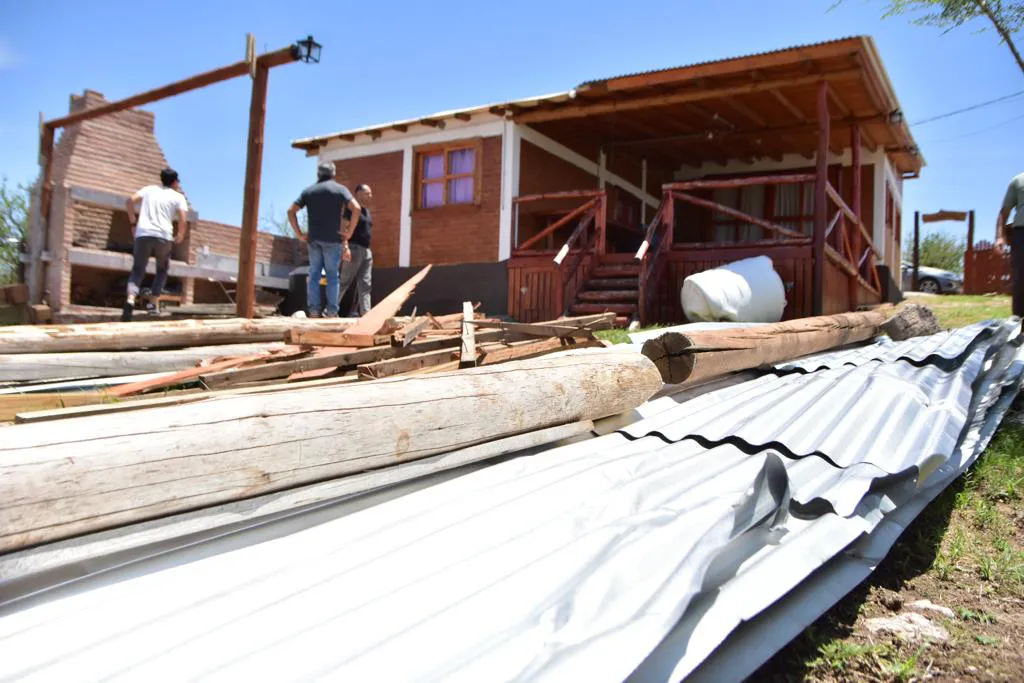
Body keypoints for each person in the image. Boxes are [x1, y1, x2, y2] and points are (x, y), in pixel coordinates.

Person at [288, 162, 361, 317]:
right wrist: (349, 233)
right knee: (332, 276)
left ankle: (314, 311)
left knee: (314, 275)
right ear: (333, 174)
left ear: (318, 174)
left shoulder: (309, 191)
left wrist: (299, 234)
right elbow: (356, 208)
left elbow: (291, 211)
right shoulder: (340, 190)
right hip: (333, 240)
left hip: (314, 240)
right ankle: (332, 312)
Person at [122, 168, 189, 321]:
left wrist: (133, 224)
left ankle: (130, 300)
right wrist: (180, 235)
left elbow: (129, 201)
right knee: (162, 270)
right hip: (163, 237)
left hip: (143, 234)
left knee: (138, 269)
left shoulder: (149, 189)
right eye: (178, 181)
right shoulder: (178, 197)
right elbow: (183, 219)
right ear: (174, 182)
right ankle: (153, 303)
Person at [339, 184, 374, 316]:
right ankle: (329, 311)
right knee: (345, 281)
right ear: (358, 193)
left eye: (370, 194)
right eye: (367, 193)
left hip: (366, 251)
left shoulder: (367, 212)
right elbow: (343, 228)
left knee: (365, 284)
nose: (370, 196)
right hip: (353, 248)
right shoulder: (351, 209)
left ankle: (366, 314)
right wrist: (345, 247)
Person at [996, 171, 1024, 317]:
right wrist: (1000, 237)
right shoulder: (1018, 180)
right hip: (1021, 235)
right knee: (1020, 280)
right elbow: (1004, 212)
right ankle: (1020, 327)